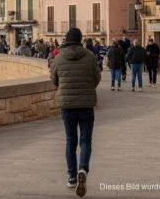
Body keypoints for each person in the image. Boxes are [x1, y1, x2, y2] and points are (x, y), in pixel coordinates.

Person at [49, 28, 100, 198]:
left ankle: (71, 177)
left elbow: (53, 78)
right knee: (85, 141)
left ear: (66, 40)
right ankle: (83, 169)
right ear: (80, 39)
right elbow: (97, 78)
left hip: (67, 106)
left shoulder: (58, 57)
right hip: (86, 105)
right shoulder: (90, 56)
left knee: (70, 141)